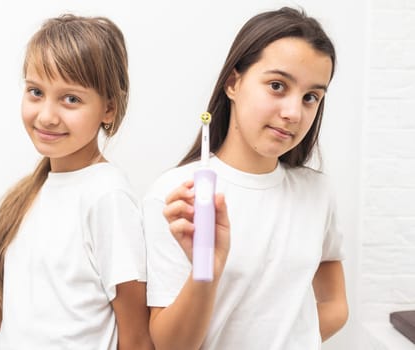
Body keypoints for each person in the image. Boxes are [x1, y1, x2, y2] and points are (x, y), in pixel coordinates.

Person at [0, 14, 153, 350]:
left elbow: (137, 339)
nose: (47, 115)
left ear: (108, 108)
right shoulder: (27, 195)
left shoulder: (106, 196)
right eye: (36, 92)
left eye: (71, 99)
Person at [143, 7, 348, 350]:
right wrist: (206, 270)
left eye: (311, 97)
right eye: (277, 86)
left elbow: (334, 305)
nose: (293, 113)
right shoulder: (177, 195)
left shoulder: (317, 192)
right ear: (233, 83)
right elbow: (171, 346)